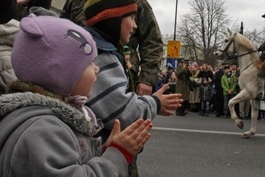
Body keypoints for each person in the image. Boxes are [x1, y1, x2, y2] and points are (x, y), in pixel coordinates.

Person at [0, 14, 153, 176]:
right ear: (60, 72)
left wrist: (106, 151)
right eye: (89, 63)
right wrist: (118, 154)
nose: (97, 69)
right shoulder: (43, 130)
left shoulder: (44, 120)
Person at [83, 0, 182, 176]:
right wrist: (155, 102)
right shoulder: (102, 56)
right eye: (130, 17)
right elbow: (124, 114)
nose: (135, 25)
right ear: (112, 19)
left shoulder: (99, 49)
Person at [61, 0, 162, 96]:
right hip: (79, 74)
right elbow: (62, 36)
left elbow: (152, 41)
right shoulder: (77, 0)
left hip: (122, 76)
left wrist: (147, 79)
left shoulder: (135, 0)